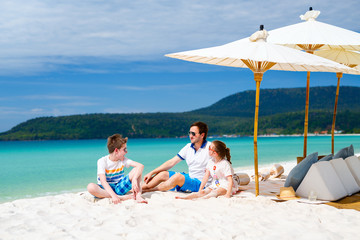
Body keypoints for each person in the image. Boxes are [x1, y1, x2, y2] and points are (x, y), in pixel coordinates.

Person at [142, 121, 211, 193]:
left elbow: (221, 163)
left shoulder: (210, 148)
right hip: (189, 178)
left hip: (201, 184)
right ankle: (138, 189)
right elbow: (172, 162)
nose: (190, 136)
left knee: (178, 176)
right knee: (162, 174)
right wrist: (152, 172)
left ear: (202, 135)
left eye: (193, 134)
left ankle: (150, 190)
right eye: (190, 133)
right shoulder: (188, 147)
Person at [87, 134, 147, 204]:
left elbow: (140, 166)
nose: (126, 152)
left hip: (119, 187)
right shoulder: (102, 161)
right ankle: (121, 198)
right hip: (105, 189)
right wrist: (114, 196)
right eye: (124, 149)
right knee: (90, 187)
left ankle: (138, 196)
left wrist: (134, 179)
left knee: (137, 170)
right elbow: (103, 182)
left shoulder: (123, 160)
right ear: (116, 150)